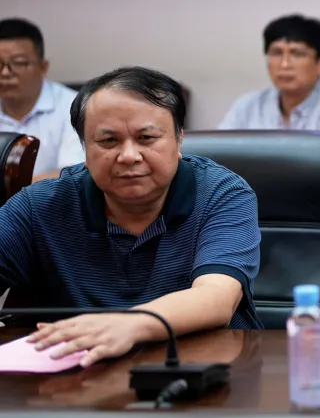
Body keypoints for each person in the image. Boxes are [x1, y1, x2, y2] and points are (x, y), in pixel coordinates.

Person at [0, 66, 263, 367]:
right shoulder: (39, 206)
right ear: (84, 148)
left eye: (146, 138)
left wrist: (128, 324)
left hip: (203, 374)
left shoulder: (221, 193)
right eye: (109, 141)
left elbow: (216, 298)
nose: (128, 156)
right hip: (74, 377)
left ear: (178, 139)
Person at [218, 14, 320, 135]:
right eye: (276, 53)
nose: (284, 64)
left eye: (297, 54)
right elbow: (216, 151)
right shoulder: (248, 104)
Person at [0, 18, 82, 181]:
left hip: (52, 197)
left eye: (19, 63)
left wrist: (12, 190)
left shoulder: (73, 106)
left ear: (43, 67)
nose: (5, 73)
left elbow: (74, 173)